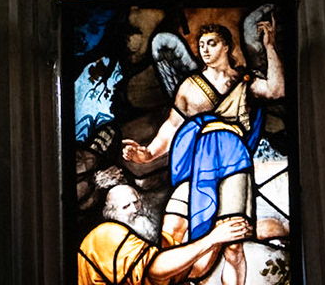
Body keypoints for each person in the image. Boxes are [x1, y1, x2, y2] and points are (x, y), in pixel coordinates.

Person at [121, 19, 284, 285]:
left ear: (227, 46)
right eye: (202, 45)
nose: (205, 50)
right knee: (172, 233)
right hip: (198, 163)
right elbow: (172, 126)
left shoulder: (243, 82)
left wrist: (270, 46)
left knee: (233, 244)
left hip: (234, 161)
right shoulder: (190, 86)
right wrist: (148, 154)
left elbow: (277, 90)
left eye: (212, 43)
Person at [77, 186, 249, 285]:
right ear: (111, 212)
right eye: (126, 206)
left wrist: (220, 238)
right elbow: (154, 269)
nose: (135, 209)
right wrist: (212, 238)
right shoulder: (106, 234)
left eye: (136, 202)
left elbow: (191, 270)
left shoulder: (147, 242)